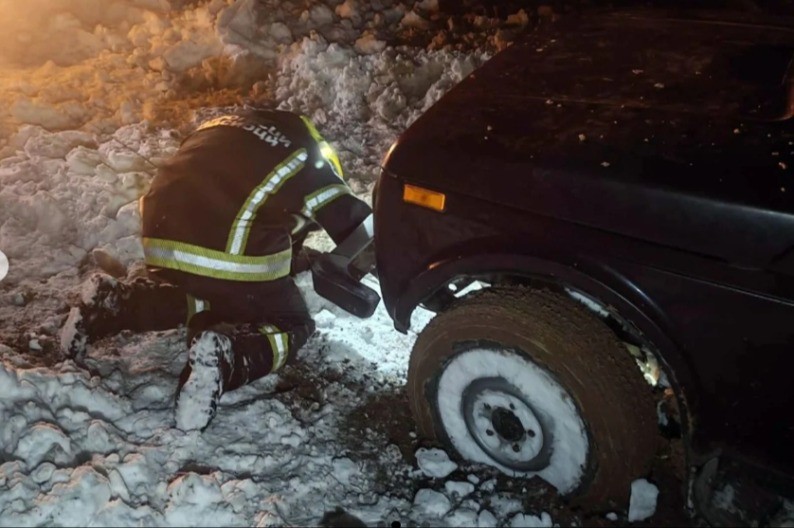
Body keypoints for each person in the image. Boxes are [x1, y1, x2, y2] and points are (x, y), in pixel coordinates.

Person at [60, 108, 372, 431]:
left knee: (205, 288)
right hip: (226, 244)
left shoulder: (234, 126)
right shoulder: (313, 161)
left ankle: (113, 304)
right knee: (295, 323)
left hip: (161, 233)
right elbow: (363, 231)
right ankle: (227, 361)